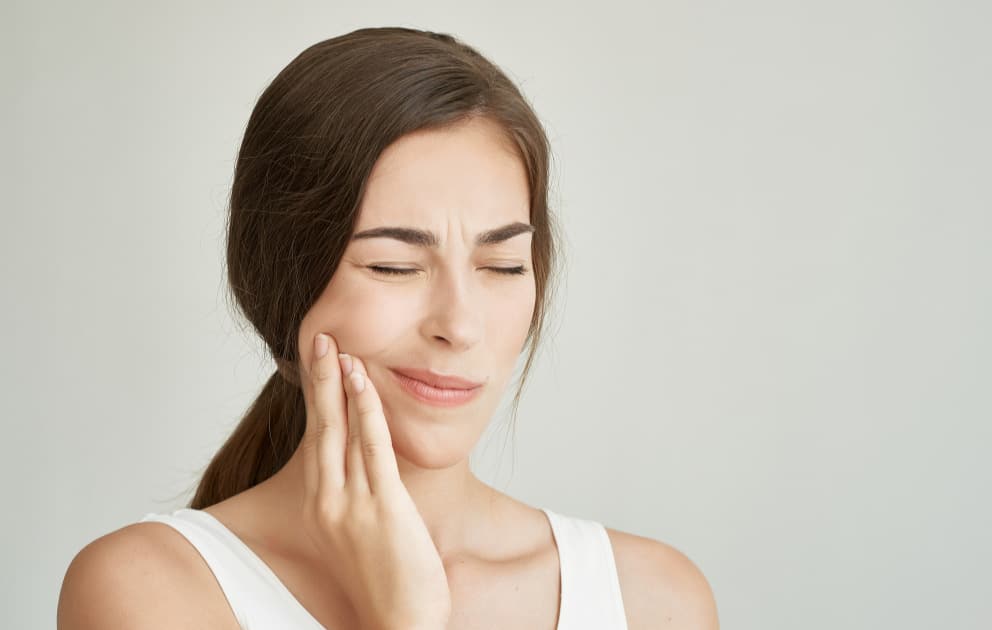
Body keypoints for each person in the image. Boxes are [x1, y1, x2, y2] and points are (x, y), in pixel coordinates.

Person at [58, 26, 718, 630]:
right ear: (282, 288)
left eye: (502, 264)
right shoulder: (151, 592)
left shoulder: (654, 600)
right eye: (395, 266)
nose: (460, 326)